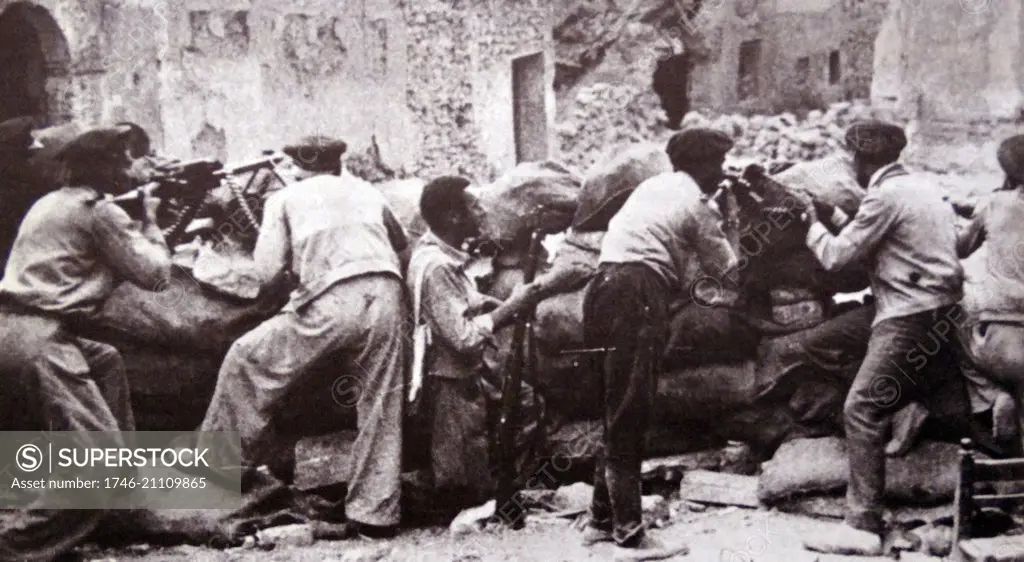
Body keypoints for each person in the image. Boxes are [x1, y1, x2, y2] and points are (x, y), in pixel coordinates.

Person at [196, 136, 408, 537]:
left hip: (331, 298)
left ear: (296, 165)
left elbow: (265, 274)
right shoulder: (366, 190)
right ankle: (375, 515)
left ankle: (217, 473)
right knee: (380, 402)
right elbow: (401, 244)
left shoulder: (285, 199)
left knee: (247, 358)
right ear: (336, 162)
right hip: (386, 291)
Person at [0, 127, 170, 560]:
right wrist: (151, 221)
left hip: (13, 328)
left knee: (106, 361)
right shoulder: (100, 213)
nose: (130, 170)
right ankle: (15, 542)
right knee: (98, 464)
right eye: (124, 161)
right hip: (39, 338)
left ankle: (121, 505)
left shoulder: (51, 202)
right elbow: (156, 276)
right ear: (105, 168)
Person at [800, 121, 965, 555]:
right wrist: (831, 215)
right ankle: (906, 401)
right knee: (953, 406)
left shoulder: (883, 195)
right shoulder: (923, 188)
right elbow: (882, 233)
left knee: (862, 408)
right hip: (942, 313)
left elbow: (837, 256)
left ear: (859, 159)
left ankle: (862, 525)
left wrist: (809, 224)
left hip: (909, 315)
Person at [581, 128, 739, 560]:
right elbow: (729, 270)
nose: (721, 173)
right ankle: (630, 535)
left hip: (602, 287)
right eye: (718, 165)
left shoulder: (653, 187)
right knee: (631, 409)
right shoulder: (697, 205)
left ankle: (599, 521)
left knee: (616, 405)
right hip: (636, 293)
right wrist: (735, 216)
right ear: (702, 165)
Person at [406, 176, 545, 509]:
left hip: (457, 375)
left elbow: (463, 297)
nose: (482, 213)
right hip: (449, 379)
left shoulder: (436, 253)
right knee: (462, 475)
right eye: (474, 207)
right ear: (454, 217)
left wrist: (493, 305)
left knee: (517, 409)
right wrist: (508, 310)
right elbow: (463, 338)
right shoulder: (436, 265)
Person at [957, 134, 1024, 450]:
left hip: (997, 346)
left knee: (952, 320)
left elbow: (961, 247)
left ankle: (991, 396)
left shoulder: (994, 204)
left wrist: (965, 216)